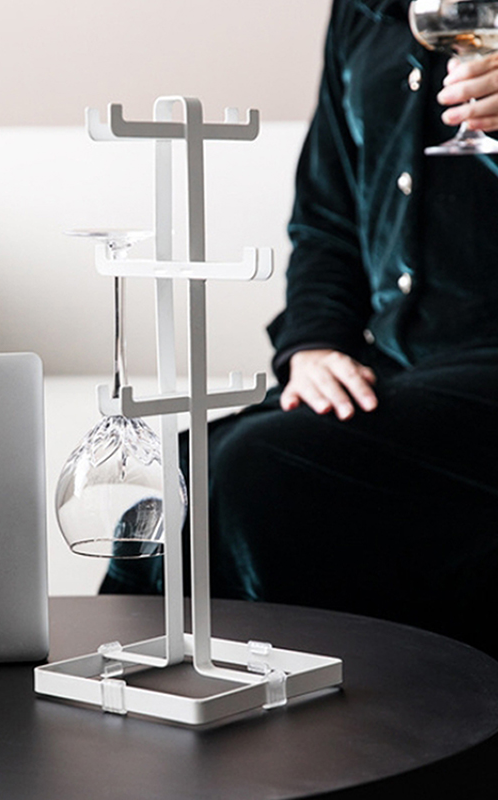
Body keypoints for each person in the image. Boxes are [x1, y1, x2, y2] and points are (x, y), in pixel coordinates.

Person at [100, 0, 498, 659]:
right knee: (178, 470)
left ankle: (370, 713)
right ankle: (131, 696)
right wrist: (314, 343)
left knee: (255, 470)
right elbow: (326, 222)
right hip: (396, 369)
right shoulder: (361, 14)